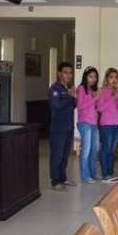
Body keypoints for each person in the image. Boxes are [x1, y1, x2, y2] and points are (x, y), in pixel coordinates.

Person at [48, 62, 77, 191]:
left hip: (69, 127)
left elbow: (74, 104)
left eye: (70, 73)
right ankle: (55, 182)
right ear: (60, 74)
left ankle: (63, 179)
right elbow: (56, 106)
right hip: (58, 128)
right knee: (57, 156)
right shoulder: (54, 89)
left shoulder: (68, 88)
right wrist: (69, 96)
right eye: (65, 72)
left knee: (65, 156)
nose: (68, 75)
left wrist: (71, 96)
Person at [76, 66, 101, 184]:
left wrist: (97, 99)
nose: (93, 79)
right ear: (85, 77)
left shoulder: (93, 90)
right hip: (84, 122)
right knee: (86, 149)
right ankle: (85, 175)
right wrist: (94, 98)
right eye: (90, 76)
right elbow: (80, 106)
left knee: (95, 148)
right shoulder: (81, 88)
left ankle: (93, 173)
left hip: (93, 123)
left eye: (95, 77)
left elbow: (94, 107)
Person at [97, 68, 118, 183]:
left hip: (117, 123)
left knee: (112, 150)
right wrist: (113, 97)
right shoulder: (101, 91)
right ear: (107, 78)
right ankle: (105, 174)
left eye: (116, 77)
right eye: (111, 77)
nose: (114, 80)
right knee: (106, 149)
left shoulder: (117, 90)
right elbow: (100, 108)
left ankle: (110, 174)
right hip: (106, 124)